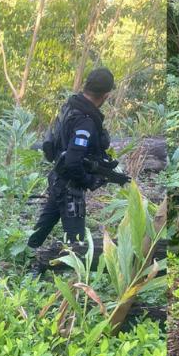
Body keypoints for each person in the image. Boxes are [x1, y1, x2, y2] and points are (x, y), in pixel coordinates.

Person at [27, 67, 124, 257]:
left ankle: (27, 254)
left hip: (58, 178)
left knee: (44, 225)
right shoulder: (85, 121)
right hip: (70, 185)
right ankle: (71, 276)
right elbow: (73, 162)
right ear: (106, 95)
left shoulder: (70, 106)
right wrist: (88, 180)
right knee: (77, 244)